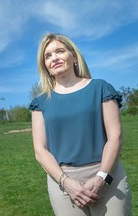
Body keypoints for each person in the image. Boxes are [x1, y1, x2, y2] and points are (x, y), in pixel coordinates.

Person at [28, 33, 132, 216]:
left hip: (107, 175)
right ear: (45, 65)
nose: (54, 58)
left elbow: (115, 137)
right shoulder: (40, 103)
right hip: (62, 182)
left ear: (74, 57)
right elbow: (40, 150)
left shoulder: (100, 88)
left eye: (59, 51)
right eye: (48, 56)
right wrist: (67, 183)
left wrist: (102, 178)